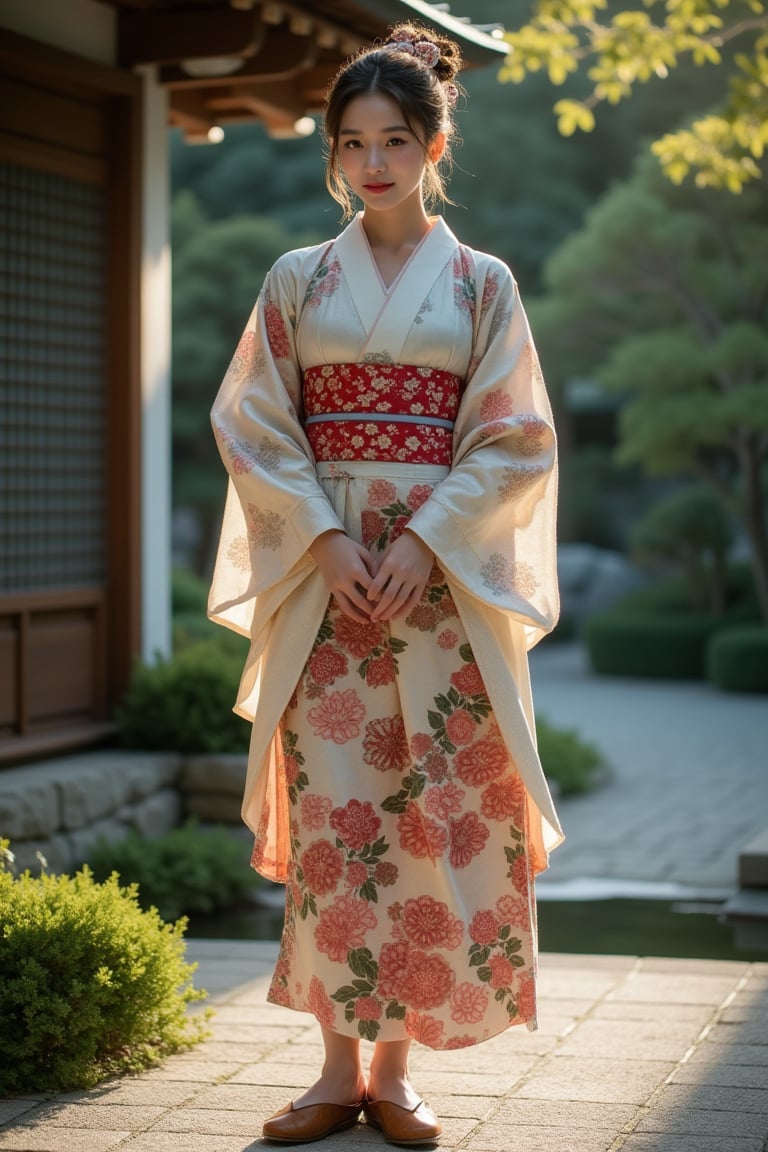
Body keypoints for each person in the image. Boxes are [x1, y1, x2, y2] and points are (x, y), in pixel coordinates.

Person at [208, 21, 563, 1147]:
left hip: (439, 591)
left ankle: (399, 1071)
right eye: (354, 141)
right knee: (336, 820)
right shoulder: (294, 281)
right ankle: (330, 1070)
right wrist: (321, 539)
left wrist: (421, 543)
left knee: (433, 814)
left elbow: (516, 435)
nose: (374, 162)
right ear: (332, 151)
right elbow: (254, 423)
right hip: (329, 588)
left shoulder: (483, 285)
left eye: (396, 139)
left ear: (434, 145)